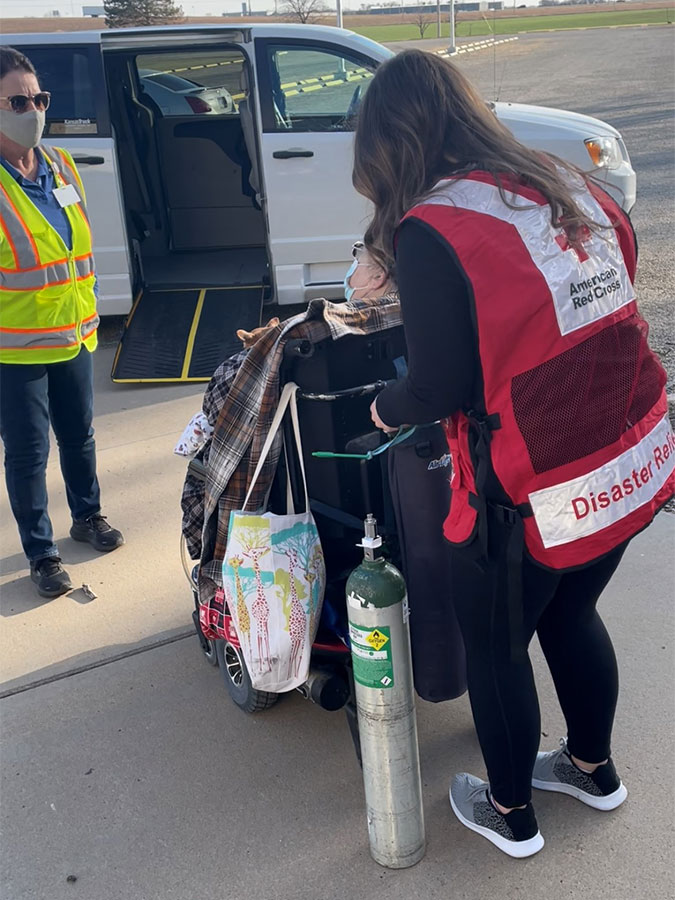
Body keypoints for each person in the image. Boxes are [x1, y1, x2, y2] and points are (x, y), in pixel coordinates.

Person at [353, 49, 674, 858]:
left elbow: (438, 387)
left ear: (393, 144)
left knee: (496, 643)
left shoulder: (431, 227)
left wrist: (379, 404)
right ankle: (591, 769)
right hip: (629, 456)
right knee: (571, 609)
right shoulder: (567, 183)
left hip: (525, 491)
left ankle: (508, 812)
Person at [0, 47, 123, 599]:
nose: (34, 109)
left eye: (39, 98)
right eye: (19, 101)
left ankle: (87, 516)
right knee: (28, 454)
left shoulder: (61, 165)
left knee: (79, 436)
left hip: (74, 333)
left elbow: (74, 251)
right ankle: (42, 553)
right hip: (16, 349)